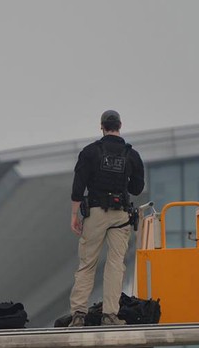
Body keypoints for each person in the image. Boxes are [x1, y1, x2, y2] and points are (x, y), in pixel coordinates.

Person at [69, 110, 145, 327]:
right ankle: (110, 315)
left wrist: (75, 215)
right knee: (115, 264)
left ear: (101, 126)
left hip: (95, 214)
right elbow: (137, 188)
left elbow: (78, 187)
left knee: (87, 264)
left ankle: (78, 315)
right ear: (120, 125)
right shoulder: (132, 155)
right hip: (120, 215)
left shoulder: (90, 152)